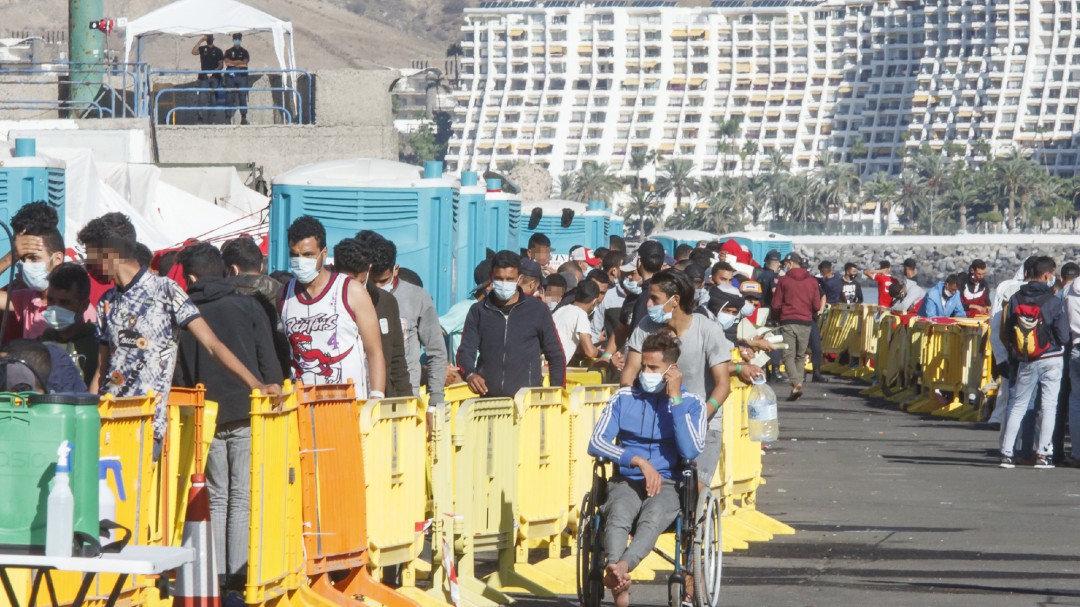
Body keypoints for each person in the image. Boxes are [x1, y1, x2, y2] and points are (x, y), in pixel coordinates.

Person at [79, 213, 279, 446]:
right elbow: (102, 370)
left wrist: (256, 384)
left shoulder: (166, 291)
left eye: (92, 256)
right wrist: (89, 415)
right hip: (108, 422)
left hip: (147, 425)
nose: (89, 265)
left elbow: (213, 345)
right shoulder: (107, 301)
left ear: (110, 254)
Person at [173, 243, 283, 601]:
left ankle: (216, 576)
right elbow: (268, 359)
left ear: (189, 277)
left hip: (205, 414)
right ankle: (239, 577)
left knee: (217, 495)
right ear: (223, 270)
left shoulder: (185, 314)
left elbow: (180, 369)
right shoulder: (247, 305)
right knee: (242, 495)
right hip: (248, 409)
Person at [589, 331, 706, 607]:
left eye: (653, 368)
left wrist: (675, 399)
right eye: (643, 366)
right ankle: (618, 580)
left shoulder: (692, 404)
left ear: (671, 369)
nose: (645, 373)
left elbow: (690, 451)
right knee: (618, 512)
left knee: (651, 517)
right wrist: (638, 461)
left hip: (668, 482)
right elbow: (596, 442)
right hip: (627, 480)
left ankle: (620, 569)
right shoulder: (623, 398)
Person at [621, 270, 762, 488]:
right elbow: (628, 375)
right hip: (656, 422)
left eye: (655, 298)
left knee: (694, 489)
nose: (648, 304)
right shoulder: (645, 327)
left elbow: (722, 384)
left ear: (674, 300)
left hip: (703, 424)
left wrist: (702, 415)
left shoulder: (707, 330)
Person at [279, 216, 385, 397]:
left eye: (308, 255)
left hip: (348, 406)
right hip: (302, 408)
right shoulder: (284, 295)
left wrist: (376, 397)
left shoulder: (351, 290)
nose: (300, 261)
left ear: (324, 253)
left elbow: (374, 351)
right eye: (294, 255)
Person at [457, 250, 566, 398]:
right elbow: (465, 351)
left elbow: (556, 355)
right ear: (491, 278)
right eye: (499, 279)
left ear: (519, 279)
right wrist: (470, 374)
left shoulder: (538, 310)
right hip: (489, 402)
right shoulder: (478, 311)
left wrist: (556, 395)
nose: (504, 284)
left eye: (509, 279)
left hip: (528, 403)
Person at [362, 231, 448, 410]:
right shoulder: (357, 296)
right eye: (373, 282)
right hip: (365, 398)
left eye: (383, 281)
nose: (378, 288)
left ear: (396, 269)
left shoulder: (418, 297)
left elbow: (436, 352)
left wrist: (435, 401)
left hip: (404, 401)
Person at [1000, 256, 1069, 469]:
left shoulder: (1016, 298)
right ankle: (1043, 455)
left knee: (1018, 405)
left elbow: (1008, 327)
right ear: (1047, 275)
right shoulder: (1054, 301)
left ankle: (1007, 453)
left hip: (1026, 358)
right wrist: (1056, 343)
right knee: (1049, 407)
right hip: (1051, 357)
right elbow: (1063, 334)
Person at [332, 238, 411, 398]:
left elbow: (397, 362)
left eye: (359, 282)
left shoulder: (386, 302)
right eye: (347, 282)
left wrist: (407, 401)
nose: (354, 289)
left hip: (379, 401)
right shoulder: (327, 305)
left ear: (368, 270)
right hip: (338, 400)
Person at [221, 237, 290, 371]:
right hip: (275, 370)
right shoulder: (282, 292)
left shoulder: (220, 293)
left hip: (232, 372)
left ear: (233, 269)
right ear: (261, 266)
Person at [771, 252, 821, 401]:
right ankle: (796, 388)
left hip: (788, 320)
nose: (783, 267)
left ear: (790, 264)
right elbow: (817, 305)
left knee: (788, 355)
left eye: (785, 264)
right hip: (805, 322)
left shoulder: (783, 281)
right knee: (800, 355)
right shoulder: (812, 282)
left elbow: (776, 304)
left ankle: (796, 382)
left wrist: (775, 318)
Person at [38, 263, 98, 386]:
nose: (56, 307)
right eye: (51, 300)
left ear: (84, 305)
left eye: (65, 302)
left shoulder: (99, 345)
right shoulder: (39, 345)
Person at [552, 279, 603, 364]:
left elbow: (579, 350)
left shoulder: (561, 310)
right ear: (594, 301)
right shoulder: (581, 315)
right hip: (556, 367)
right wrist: (603, 354)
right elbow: (590, 352)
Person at [191, 34, 224, 123]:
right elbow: (194, 52)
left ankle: (211, 120)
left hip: (214, 78)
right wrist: (201, 40)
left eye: (210, 38)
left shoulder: (218, 51)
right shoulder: (203, 49)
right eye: (207, 38)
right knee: (202, 97)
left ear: (213, 39)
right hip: (204, 78)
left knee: (213, 98)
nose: (209, 39)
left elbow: (221, 65)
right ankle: (200, 118)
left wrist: (213, 72)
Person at [223, 32, 251, 125]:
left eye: (238, 39)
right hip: (231, 77)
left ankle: (243, 117)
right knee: (229, 96)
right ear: (233, 40)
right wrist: (238, 62)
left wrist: (233, 63)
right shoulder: (228, 51)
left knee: (242, 96)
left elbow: (245, 63)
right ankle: (227, 117)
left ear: (241, 40)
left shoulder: (245, 52)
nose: (237, 40)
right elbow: (227, 63)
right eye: (235, 39)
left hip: (242, 77)